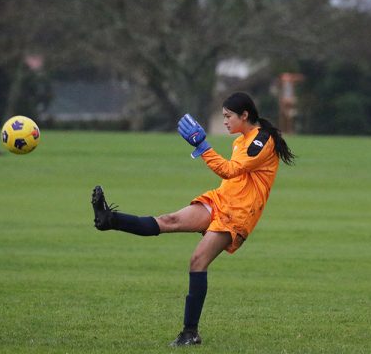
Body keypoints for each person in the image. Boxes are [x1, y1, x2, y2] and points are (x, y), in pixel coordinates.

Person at [90, 91, 295, 347]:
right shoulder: (241, 140)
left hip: (237, 215)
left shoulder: (262, 141)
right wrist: (203, 147)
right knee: (169, 220)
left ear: (245, 115)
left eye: (228, 116)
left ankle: (190, 332)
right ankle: (109, 219)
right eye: (223, 116)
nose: (224, 121)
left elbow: (230, 170)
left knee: (197, 261)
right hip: (221, 200)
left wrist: (203, 146)